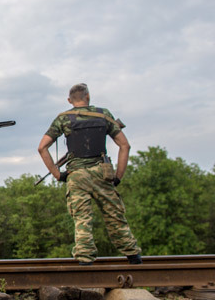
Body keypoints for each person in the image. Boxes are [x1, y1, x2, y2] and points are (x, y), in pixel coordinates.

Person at [37, 83, 142, 266]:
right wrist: (118, 176)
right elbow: (125, 145)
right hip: (102, 172)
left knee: (82, 219)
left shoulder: (63, 119)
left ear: (69, 100)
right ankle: (133, 257)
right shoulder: (103, 114)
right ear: (88, 97)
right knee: (115, 216)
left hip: (76, 175)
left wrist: (58, 174)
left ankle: (85, 261)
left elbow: (42, 147)